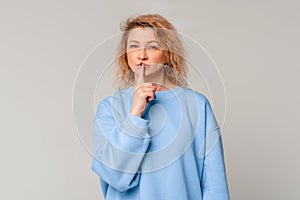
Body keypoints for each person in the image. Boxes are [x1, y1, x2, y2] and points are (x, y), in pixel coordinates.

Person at [91, 14, 230, 200]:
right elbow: (114, 176)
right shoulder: (109, 108)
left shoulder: (197, 105)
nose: (142, 54)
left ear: (167, 54)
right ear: (125, 56)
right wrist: (134, 116)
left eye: (152, 46)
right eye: (133, 46)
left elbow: (214, 185)